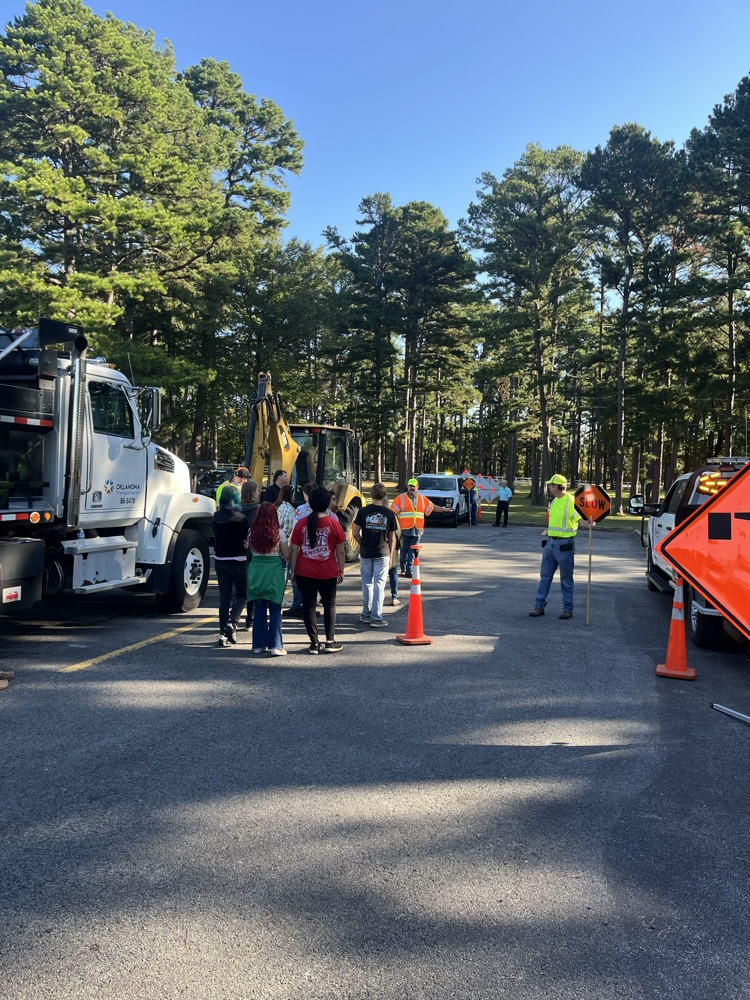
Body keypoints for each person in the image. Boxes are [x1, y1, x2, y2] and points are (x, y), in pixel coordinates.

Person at [289, 485, 346, 654]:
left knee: (309, 606)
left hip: (305, 571)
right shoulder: (333, 523)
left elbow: (294, 549)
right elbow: (340, 550)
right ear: (327, 503)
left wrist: (293, 571)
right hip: (328, 571)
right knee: (329, 605)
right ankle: (330, 640)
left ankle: (314, 642)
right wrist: (341, 570)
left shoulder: (301, 524)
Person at [529, 473, 593, 620]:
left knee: (566, 579)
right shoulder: (555, 501)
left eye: (550, 485)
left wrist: (587, 523)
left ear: (555, 486)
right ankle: (539, 606)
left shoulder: (570, 500)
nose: (548, 487)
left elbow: (578, 517)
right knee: (545, 576)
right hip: (550, 543)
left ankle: (567, 609)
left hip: (564, 545)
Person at [246, 502, 290, 656]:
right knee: (275, 608)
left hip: (256, 570)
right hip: (273, 571)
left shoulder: (251, 532)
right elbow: (286, 554)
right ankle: (276, 645)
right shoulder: (279, 533)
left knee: (259, 608)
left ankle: (258, 645)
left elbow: (250, 551)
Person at [353, 483, 397, 628]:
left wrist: (363, 543)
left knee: (367, 583)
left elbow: (354, 533)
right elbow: (392, 538)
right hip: (382, 552)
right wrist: (391, 555)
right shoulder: (390, 514)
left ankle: (366, 614)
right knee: (379, 584)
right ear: (384, 495)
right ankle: (376, 617)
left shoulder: (363, 511)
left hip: (366, 552)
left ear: (371, 494)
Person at [212, 485, 249, 646]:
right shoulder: (241, 518)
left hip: (220, 560)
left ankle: (222, 634)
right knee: (242, 594)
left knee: (224, 598)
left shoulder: (216, 516)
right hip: (238, 560)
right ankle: (232, 622)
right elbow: (245, 540)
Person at [390, 478, 435, 577]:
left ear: (417, 487)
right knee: (404, 549)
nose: (411, 488)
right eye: (410, 486)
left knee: (412, 550)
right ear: (407, 486)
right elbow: (392, 512)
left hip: (417, 529)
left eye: (413, 486)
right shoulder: (400, 498)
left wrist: (445, 510)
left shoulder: (422, 499)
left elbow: (432, 507)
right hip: (405, 529)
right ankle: (403, 567)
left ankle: (408, 570)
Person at [285, 481, 316, 618]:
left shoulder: (300, 509)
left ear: (305, 495)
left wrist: (290, 547)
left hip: (302, 547)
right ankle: (310, 605)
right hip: (317, 547)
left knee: (297, 576)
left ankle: (297, 605)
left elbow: (295, 529)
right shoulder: (323, 509)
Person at [240, 480, 260, 630]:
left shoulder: (236, 510)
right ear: (252, 494)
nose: (259, 494)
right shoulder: (258, 511)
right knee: (253, 586)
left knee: (240, 588)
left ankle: (231, 619)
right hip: (253, 552)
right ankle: (251, 619)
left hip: (237, 552)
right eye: (257, 491)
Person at [388, 523, 402, 607]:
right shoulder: (391, 514)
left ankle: (372, 600)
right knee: (393, 571)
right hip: (390, 548)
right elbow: (397, 532)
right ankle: (394, 597)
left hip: (373, 549)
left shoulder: (366, 512)